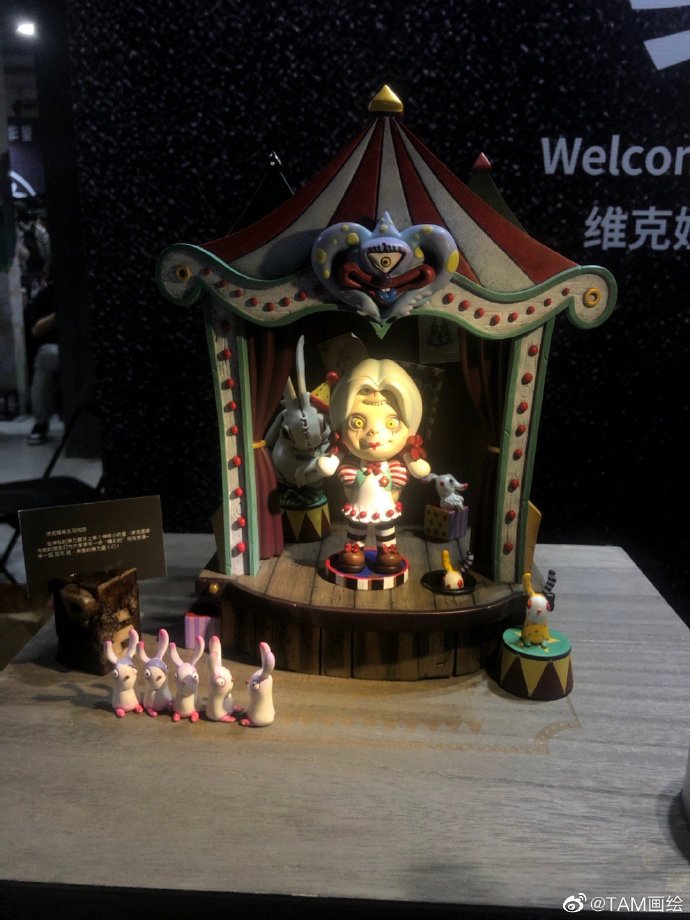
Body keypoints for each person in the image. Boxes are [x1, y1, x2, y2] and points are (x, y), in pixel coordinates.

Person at [317, 357, 431, 574]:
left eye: (391, 423)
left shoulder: (398, 458)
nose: (374, 432)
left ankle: (387, 550)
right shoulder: (349, 457)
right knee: (356, 525)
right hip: (359, 501)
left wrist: (413, 463)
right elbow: (329, 465)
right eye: (358, 422)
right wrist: (332, 461)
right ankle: (354, 548)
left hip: (384, 502)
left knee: (385, 526)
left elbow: (419, 469)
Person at [24, 280, 59, 444]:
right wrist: (58, 315)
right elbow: (36, 329)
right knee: (47, 358)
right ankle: (41, 422)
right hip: (56, 347)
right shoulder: (46, 295)